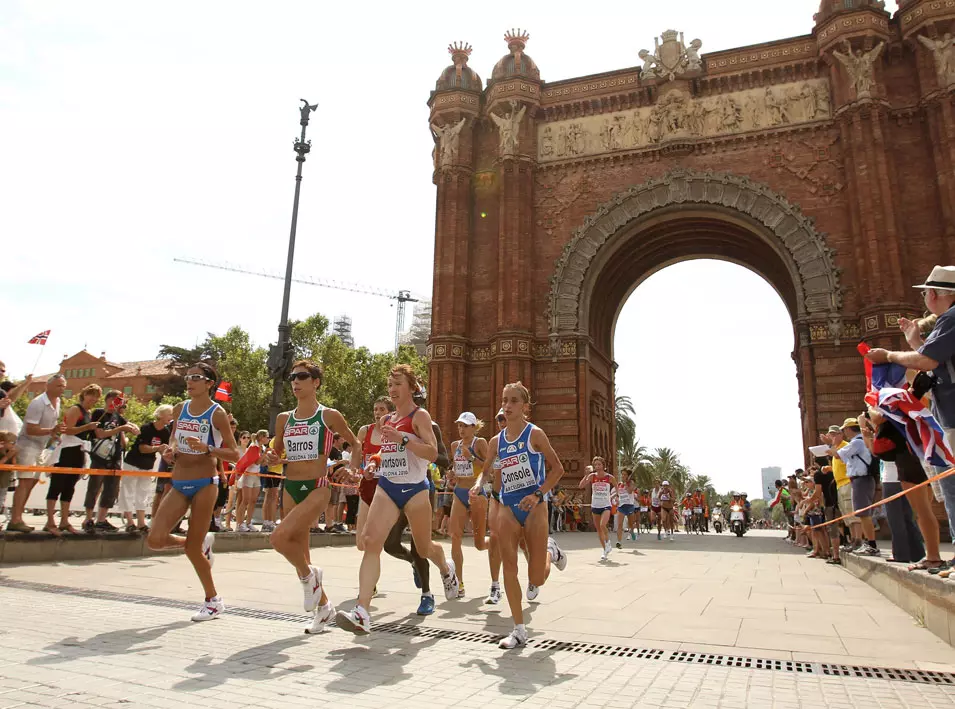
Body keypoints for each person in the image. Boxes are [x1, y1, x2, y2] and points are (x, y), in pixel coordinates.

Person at [336, 365, 459, 635]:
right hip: (388, 486)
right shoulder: (387, 420)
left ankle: (445, 567)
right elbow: (387, 452)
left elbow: (432, 453)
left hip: (415, 489)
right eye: (389, 384)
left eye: (398, 384)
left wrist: (404, 438)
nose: (392, 389)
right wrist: (374, 463)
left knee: (423, 549)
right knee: (371, 541)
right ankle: (362, 611)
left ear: (412, 387)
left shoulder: (420, 416)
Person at [866, 266, 955, 572]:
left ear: (937, 294)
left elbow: (927, 362)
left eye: (926, 292)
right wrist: (915, 341)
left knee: (949, 488)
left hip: (947, 418)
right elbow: (936, 361)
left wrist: (890, 355)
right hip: (944, 417)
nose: (924, 297)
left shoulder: (951, 319)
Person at [264, 360, 360, 634]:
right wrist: (271, 456)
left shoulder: (328, 415)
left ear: (316, 382)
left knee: (278, 538)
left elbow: (355, 444)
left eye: (302, 376)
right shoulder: (284, 418)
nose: (295, 381)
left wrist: (352, 469)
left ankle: (311, 577)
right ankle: (324, 607)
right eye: (292, 377)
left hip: (318, 486)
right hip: (291, 486)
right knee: (299, 552)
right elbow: (276, 452)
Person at [146, 362, 239, 621]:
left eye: (196, 377)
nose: (189, 382)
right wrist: (170, 450)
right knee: (155, 540)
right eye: (187, 377)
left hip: (205, 483)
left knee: (191, 550)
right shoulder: (180, 409)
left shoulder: (217, 413)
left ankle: (213, 601)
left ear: (209, 383)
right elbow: (174, 438)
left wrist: (208, 448)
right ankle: (199, 544)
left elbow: (234, 453)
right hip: (179, 481)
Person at [481, 381, 567, 649]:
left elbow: (558, 469)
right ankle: (518, 629)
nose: (507, 405)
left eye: (514, 401)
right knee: (509, 567)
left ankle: (552, 552)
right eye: (504, 400)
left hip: (535, 507)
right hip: (508, 506)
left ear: (525, 407)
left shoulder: (535, 435)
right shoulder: (496, 441)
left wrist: (539, 494)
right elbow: (486, 471)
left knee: (537, 578)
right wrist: (477, 486)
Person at [8, 375, 67, 533]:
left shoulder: (58, 402)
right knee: (25, 482)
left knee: (31, 483)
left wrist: (54, 436)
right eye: (59, 386)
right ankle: (15, 519)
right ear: (48, 386)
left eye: (63, 386)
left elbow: (51, 426)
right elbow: (30, 429)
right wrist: (51, 431)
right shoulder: (38, 403)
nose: (62, 389)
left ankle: (18, 517)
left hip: (41, 446)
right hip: (27, 445)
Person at [44, 384, 102, 535]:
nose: (93, 399)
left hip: (79, 450)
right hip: (67, 450)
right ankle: (50, 521)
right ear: (84, 395)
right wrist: (86, 427)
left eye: (96, 396)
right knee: (57, 485)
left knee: (69, 486)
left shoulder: (88, 412)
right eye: (91, 395)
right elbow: (67, 429)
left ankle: (64, 520)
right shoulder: (76, 409)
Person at [448, 411, 489, 598]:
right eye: (459, 425)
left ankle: (496, 543)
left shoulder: (479, 443)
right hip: (459, 492)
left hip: (476, 493)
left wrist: (471, 457)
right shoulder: (454, 445)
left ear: (474, 427)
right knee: (454, 536)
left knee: (479, 544)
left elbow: (490, 469)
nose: (461, 429)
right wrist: (452, 474)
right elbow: (457, 468)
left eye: (465, 426)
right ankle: (459, 582)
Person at [120, 404, 173, 533]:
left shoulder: (166, 432)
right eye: (169, 414)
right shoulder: (147, 428)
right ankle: (129, 522)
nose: (171, 417)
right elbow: (142, 448)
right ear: (161, 415)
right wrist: (157, 448)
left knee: (143, 494)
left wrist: (171, 460)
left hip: (148, 465)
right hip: (133, 463)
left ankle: (141, 523)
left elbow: (163, 451)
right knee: (127, 492)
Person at [831, 417, 879, 556]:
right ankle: (866, 542)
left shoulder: (857, 442)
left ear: (848, 429)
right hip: (859, 480)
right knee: (861, 513)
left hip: (861, 479)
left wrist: (829, 446)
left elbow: (837, 454)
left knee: (863, 514)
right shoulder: (858, 442)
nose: (844, 432)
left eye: (844, 430)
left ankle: (871, 544)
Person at [355, 397, 393, 547]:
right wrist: (354, 469)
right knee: (360, 543)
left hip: (388, 486)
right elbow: (356, 453)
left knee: (383, 540)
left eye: (382, 409)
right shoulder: (365, 431)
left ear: (390, 413)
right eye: (375, 409)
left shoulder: (394, 432)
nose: (377, 413)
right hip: (368, 484)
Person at [579, 457, 614, 560]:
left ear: (603, 465)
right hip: (595, 505)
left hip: (606, 505)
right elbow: (581, 486)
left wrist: (615, 497)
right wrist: (586, 475)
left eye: (599, 464)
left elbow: (617, 488)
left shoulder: (609, 477)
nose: (597, 466)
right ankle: (605, 550)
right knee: (598, 529)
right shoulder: (592, 476)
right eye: (595, 465)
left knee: (603, 525)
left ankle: (608, 542)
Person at [234, 430, 267, 532]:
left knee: (253, 500)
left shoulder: (262, 447)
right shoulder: (253, 446)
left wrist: (268, 459)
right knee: (245, 500)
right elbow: (256, 461)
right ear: (261, 437)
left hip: (256, 475)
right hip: (248, 475)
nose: (268, 439)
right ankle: (240, 523)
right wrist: (265, 454)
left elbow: (262, 463)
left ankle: (248, 522)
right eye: (266, 437)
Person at [615, 468, 637, 546]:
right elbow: (617, 494)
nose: (623, 476)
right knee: (619, 524)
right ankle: (619, 541)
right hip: (621, 506)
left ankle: (631, 531)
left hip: (629, 506)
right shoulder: (619, 484)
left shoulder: (631, 483)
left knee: (631, 524)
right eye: (622, 474)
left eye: (625, 474)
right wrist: (616, 499)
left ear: (628, 476)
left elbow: (630, 491)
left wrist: (626, 484)